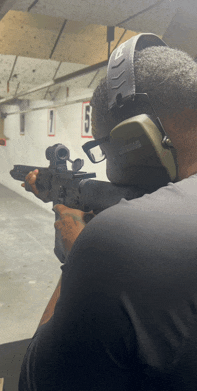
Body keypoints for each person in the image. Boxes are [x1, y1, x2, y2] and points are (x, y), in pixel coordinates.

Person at [19, 38, 197, 390]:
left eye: (102, 145)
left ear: (135, 138)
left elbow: (34, 383)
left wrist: (77, 251)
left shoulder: (123, 240)